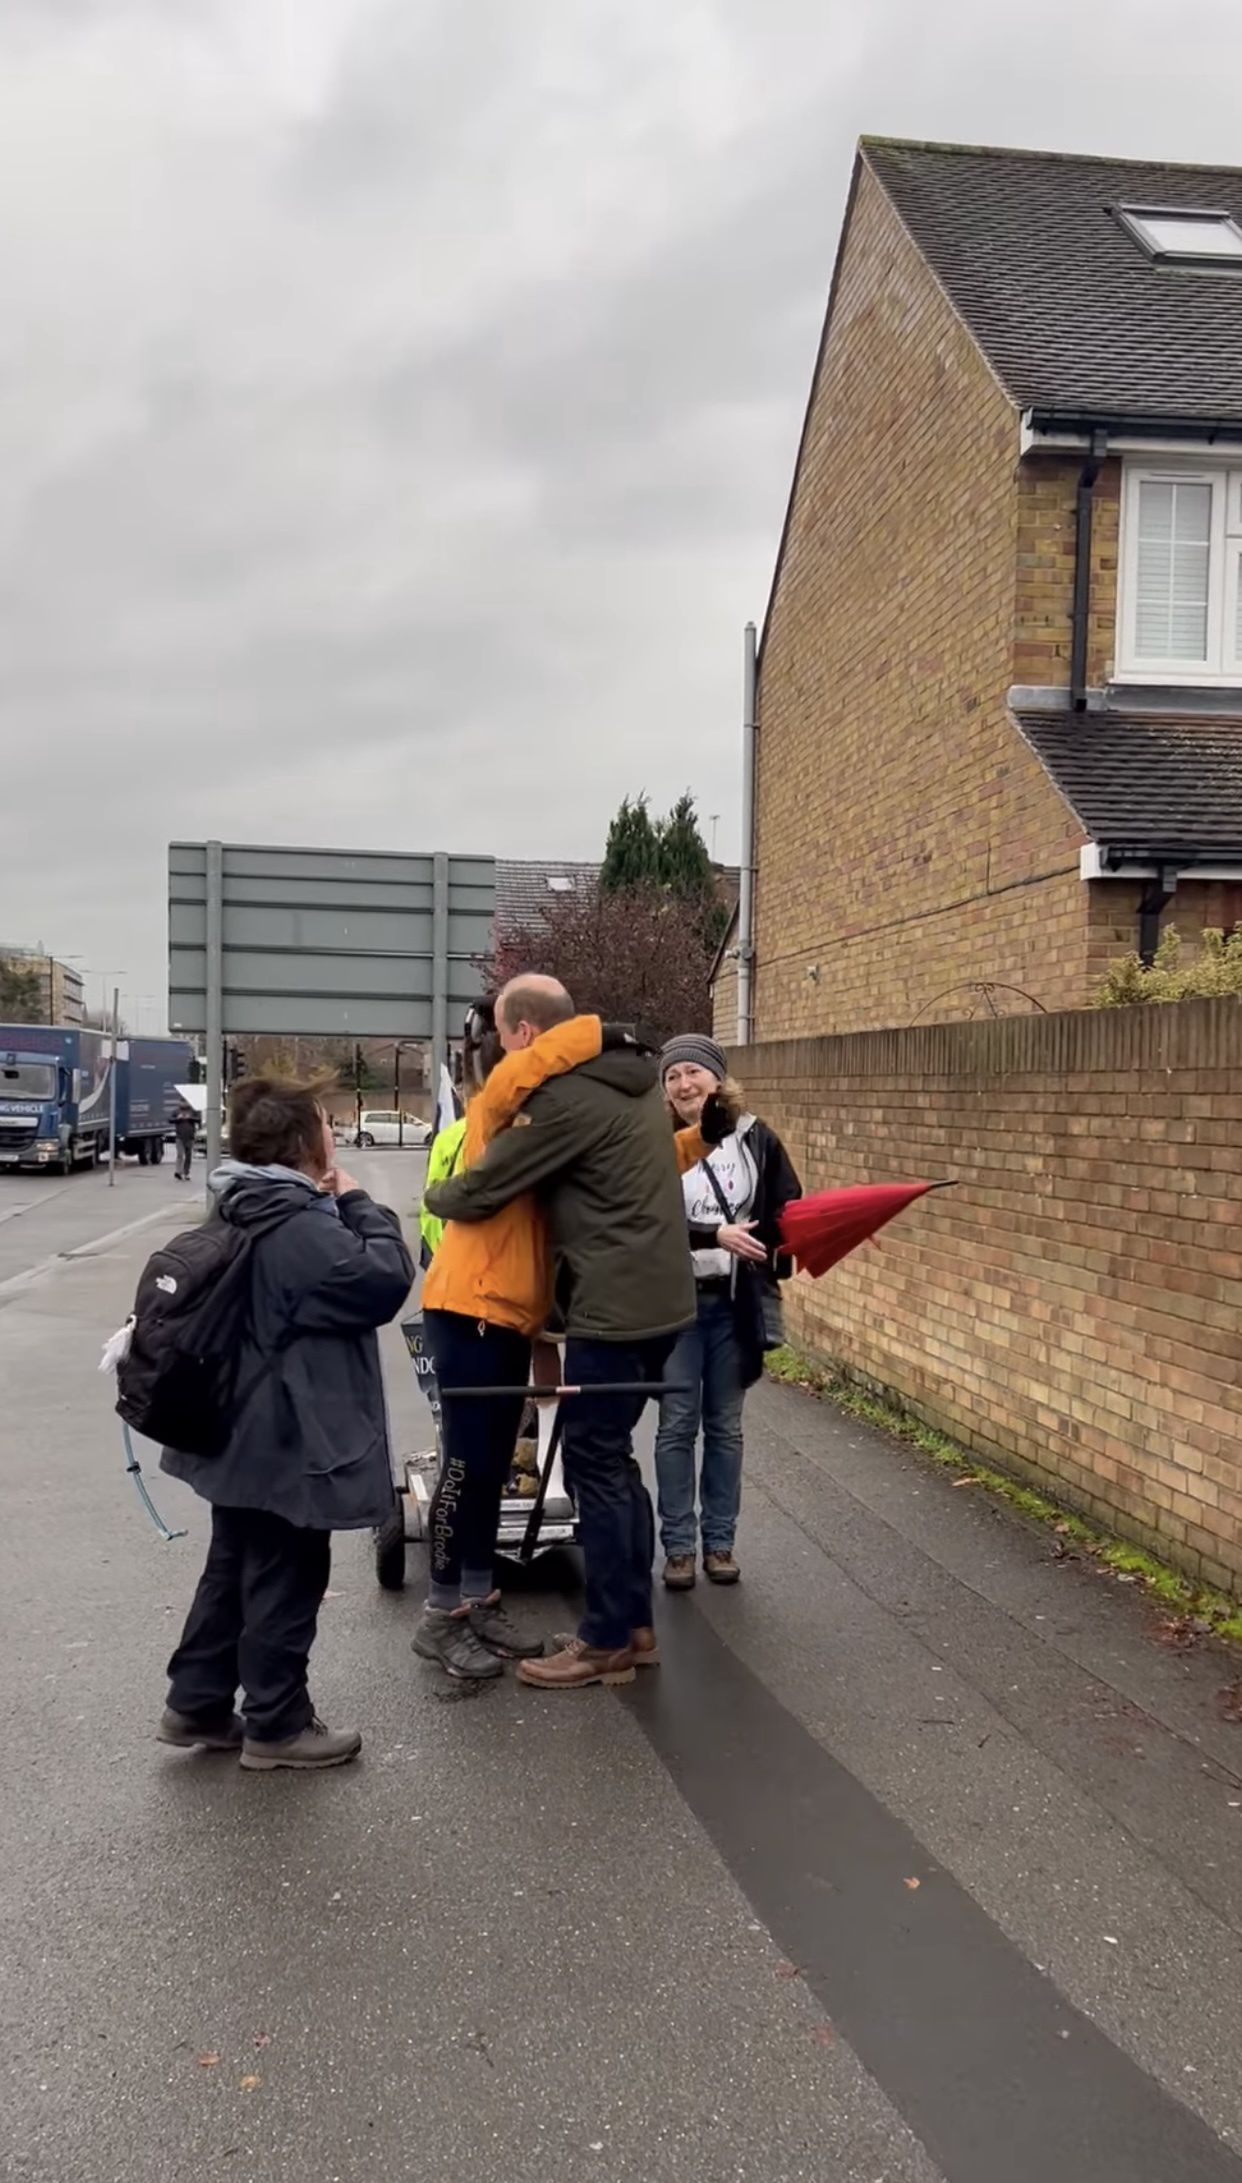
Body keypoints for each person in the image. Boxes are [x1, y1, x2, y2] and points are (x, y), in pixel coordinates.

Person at [425, 976, 700, 1692]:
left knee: (593, 1464)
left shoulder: (567, 1098)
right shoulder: (633, 1079)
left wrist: (434, 1196)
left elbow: (483, 1187)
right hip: (659, 1302)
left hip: (618, 1306)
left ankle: (606, 1638)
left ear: (525, 1037)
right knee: (614, 1458)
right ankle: (633, 1626)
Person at [158, 1074, 414, 1770]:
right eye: (326, 1123)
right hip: (286, 1436)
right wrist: (360, 1199)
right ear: (307, 1143)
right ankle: (277, 1722)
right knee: (289, 1568)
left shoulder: (240, 1201)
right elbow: (383, 1280)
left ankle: (198, 1702)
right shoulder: (295, 1222)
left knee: (232, 1565)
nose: (334, 1132)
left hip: (237, 1430)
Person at [412, 991, 606, 1681]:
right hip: (466, 1309)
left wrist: (697, 1133)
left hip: (509, 1315)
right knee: (464, 1464)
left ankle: (478, 1597)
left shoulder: (556, 1129)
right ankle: (440, 1616)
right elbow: (509, 1080)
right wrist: (589, 1031)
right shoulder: (493, 1121)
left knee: (494, 1463)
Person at [654, 1034, 802, 1590]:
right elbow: (647, 1221)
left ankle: (719, 1543)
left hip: (733, 1304)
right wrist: (711, 1233)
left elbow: (786, 1209)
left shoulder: (756, 1138)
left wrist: (783, 1248)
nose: (685, 1084)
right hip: (674, 1306)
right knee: (674, 1428)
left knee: (725, 1428)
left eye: (694, 1072)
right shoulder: (658, 1141)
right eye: (673, 1076)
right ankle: (678, 1548)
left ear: (718, 1079)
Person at [171, 1100, 198, 1182]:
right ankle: (178, 1172)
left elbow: (198, 1119)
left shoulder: (193, 1110)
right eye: (182, 1102)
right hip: (179, 1137)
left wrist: (190, 1118)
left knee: (188, 1156)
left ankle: (186, 1172)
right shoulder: (176, 1111)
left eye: (185, 1102)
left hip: (190, 1137)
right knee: (180, 1154)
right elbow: (170, 1119)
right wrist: (177, 1118)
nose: (183, 1104)